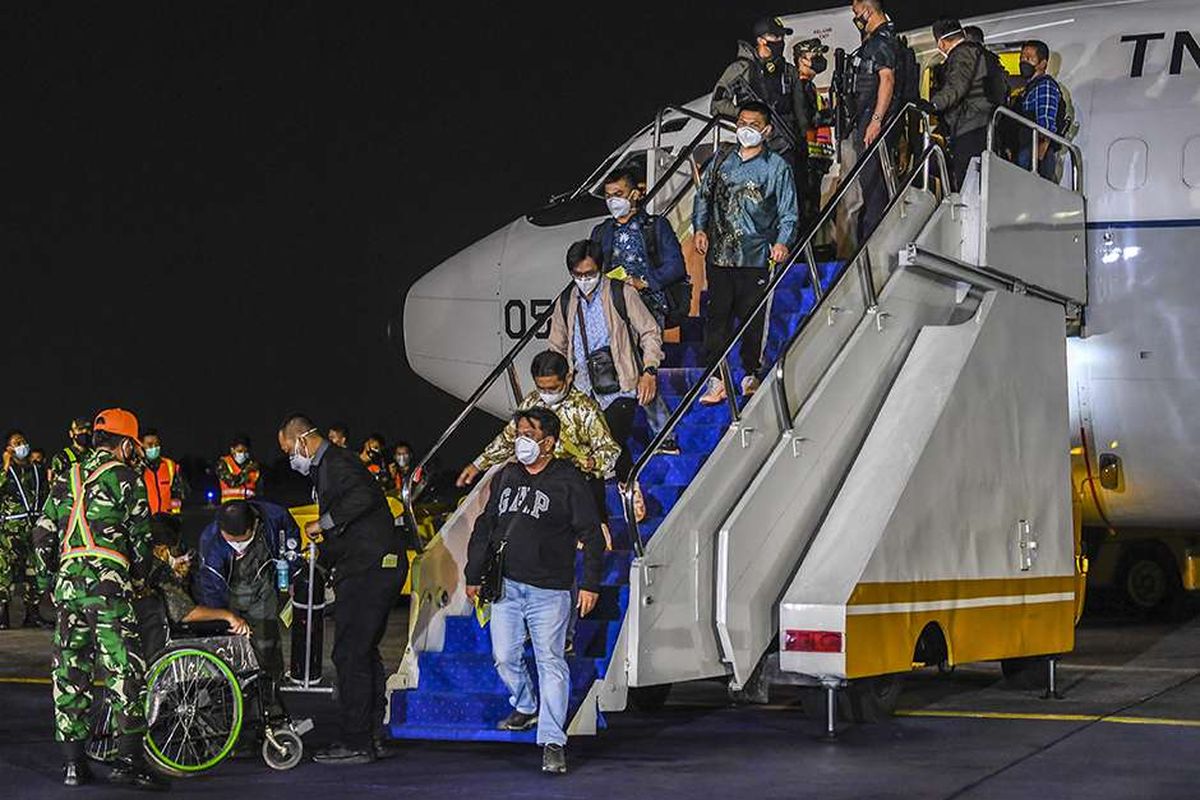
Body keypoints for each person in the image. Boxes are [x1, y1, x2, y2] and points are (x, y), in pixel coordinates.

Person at [31, 408, 168, 789]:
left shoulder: (67, 477)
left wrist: (47, 582)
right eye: (135, 446)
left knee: (70, 671)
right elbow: (140, 538)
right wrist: (140, 578)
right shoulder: (127, 477)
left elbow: (42, 536)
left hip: (67, 587)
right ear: (126, 444)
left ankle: (73, 765)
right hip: (107, 587)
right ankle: (129, 759)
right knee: (125, 668)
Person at [464, 407, 605, 775]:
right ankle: (526, 705)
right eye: (519, 432)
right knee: (504, 656)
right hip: (506, 586)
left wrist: (590, 583)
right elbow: (486, 525)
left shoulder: (569, 480)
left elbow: (591, 535)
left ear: (550, 442)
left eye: (529, 433)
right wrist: (473, 572)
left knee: (551, 663)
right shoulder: (507, 475)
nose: (521, 439)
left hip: (550, 591)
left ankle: (553, 741)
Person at [278, 415, 405, 764]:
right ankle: (373, 732)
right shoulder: (329, 468)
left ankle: (356, 740)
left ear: (303, 440)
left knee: (349, 653)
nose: (291, 459)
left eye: (290, 450)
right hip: (366, 565)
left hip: (370, 568)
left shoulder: (338, 461)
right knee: (363, 651)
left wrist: (324, 522)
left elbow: (364, 497)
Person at [692, 100, 799, 405]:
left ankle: (750, 373)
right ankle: (716, 379)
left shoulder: (776, 167)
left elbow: (788, 211)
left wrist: (783, 242)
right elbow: (703, 196)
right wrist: (700, 228)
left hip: (755, 255)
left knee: (753, 318)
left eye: (753, 125)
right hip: (720, 254)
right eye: (741, 123)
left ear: (766, 130)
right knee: (717, 319)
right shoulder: (722, 159)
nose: (745, 129)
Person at [458, 350, 620, 538]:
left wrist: (592, 462)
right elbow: (509, 438)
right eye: (541, 388)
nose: (546, 394)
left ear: (568, 378)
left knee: (591, 543)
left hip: (580, 486)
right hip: (542, 488)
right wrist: (478, 464)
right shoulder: (531, 403)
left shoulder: (585, 409)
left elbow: (610, 449)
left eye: (552, 388)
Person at [548, 240, 664, 487]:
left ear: (600, 269)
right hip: (582, 389)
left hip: (621, 385)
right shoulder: (566, 301)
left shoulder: (620, 293)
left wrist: (649, 370)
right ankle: (605, 515)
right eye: (577, 275)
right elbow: (556, 346)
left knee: (608, 441)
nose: (584, 279)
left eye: (589, 274)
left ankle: (628, 487)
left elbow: (650, 332)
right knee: (587, 459)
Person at [591, 166, 686, 455]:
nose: (613, 201)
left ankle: (663, 433)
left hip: (648, 303)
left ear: (635, 193)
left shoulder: (655, 226)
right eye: (608, 196)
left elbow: (675, 266)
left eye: (619, 194)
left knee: (641, 366)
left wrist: (643, 282)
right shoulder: (601, 232)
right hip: (616, 307)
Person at [197, 500, 300, 705]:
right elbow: (212, 589)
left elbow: (291, 541)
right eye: (230, 541)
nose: (237, 546)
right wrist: (224, 619)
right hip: (230, 591)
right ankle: (235, 698)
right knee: (232, 645)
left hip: (262, 584)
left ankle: (270, 692)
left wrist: (292, 573)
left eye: (240, 540)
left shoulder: (274, 516)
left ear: (253, 526)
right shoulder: (211, 543)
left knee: (265, 642)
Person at [711, 17, 810, 202]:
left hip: (786, 147)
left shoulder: (789, 72)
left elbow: (800, 113)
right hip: (754, 147)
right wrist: (749, 117)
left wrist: (803, 141)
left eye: (781, 36)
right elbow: (717, 105)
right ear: (760, 40)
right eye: (775, 36)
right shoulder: (741, 68)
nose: (780, 41)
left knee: (790, 201)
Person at [846, 0, 899, 241]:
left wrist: (876, 120)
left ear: (867, 11)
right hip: (868, 118)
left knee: (873, 189)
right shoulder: (883, 38)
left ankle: (873, 242)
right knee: (871, 187)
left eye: (857, 13)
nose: (856, 18)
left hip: (872, 120)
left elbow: (886, 80)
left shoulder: (880, 41)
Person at [927, 19, 999, 191]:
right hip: (983, 124)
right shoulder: (981, 53)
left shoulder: (962, 53)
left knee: (967, 181)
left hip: (971, 124)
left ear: (941, 42)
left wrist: (933, 105)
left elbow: (957, 86)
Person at [0, 430, 48, 628]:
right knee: (5, 572)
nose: (21, 445)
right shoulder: (5, 472)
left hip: (33, 528)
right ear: (9, 449)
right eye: (16, 443)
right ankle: (3, 614)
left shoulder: (35, 470)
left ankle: (32, 613)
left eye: (23, 441)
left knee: (32, 572)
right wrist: (5, 466)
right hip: (10, 530)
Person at [793, 39, 834, 226]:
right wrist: (829, 115)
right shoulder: (801, 86)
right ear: (802, 60)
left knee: (813, 210)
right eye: (814, 56)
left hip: (816, 158)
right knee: (808, 212)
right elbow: (806, 122)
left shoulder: (809, 86)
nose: (819, 60)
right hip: (809, 159)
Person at [1015, 39, 1064, 181]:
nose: (1024, 61)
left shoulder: (1045, 85)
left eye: (1029, 58)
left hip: (1035, 153)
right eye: (1022, 58)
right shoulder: (1027, 89)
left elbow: (1046, 125)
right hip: (1026, 150)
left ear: (1042, 64)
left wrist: (1038, 159)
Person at [141, 428, 187, 516]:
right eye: (150, 445)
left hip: (168, 522)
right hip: (146, 523)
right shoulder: (137, 468)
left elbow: (179, 494)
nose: (154, 448)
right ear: (141, 446)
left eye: (157, 444)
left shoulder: (170, 466)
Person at [217, 435, 260, 503]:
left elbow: (259, 488)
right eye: (240, 451)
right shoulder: (224, 463)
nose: (243, 454)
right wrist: (246, 471)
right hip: (230, 506)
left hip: (249, 505)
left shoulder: (253, 465)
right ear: (232, 450)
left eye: (246, 452)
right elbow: (232, 482)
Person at [48, 417, 91, 482]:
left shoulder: (95, 454)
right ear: (71, 433)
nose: (85, 432)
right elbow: (56, 486)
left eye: (88, 429)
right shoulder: (62, 457)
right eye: (80, 429)